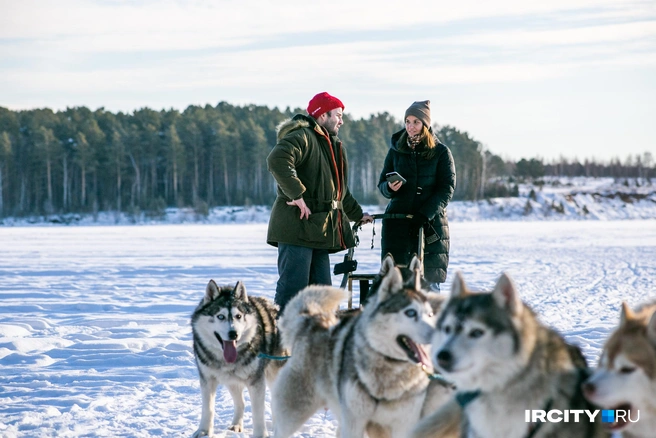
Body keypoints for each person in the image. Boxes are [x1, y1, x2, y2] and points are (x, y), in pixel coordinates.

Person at [267, 92, 373, 313]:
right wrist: (297, 195)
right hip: (296, 227)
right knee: (293, 292)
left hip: (320, 229)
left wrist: (357, 214)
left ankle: (320, 343)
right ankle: (280, 344)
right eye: (338, 115)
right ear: (323, 115)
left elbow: (339, 192)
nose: (342, 120)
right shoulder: (303, 136)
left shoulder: (332, 145)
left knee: (323, 295)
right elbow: (278, 160)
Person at [378, 100, 456, 291]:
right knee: (396, 281)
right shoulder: (396, 150)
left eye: (416, 122)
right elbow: (381, 184)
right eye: (407, 121)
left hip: (429, 224)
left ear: (425, 124)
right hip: (397, 223)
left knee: (428, 283)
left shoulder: (441, 152)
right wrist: (390, 188)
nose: (410, 127)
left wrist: (424, 214)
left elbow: (446, 189)